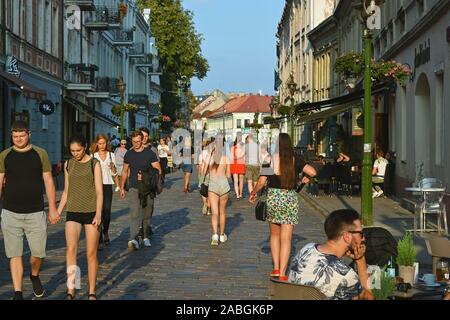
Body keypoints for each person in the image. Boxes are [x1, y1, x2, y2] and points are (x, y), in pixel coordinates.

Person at [0, 121, 59, 300]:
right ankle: (18, 292)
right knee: (14, 254)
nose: (18, 139)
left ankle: (34, 275)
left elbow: (48, 181)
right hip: (10, 211)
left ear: (29, 135)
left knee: (38, 254)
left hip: (35, 212)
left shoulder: (40, 154)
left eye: (22, 136)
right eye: (15, 136)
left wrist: (53, 209)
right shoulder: (5, 155)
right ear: (12, 136)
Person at [249, 133, 316, 281]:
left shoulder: (270, 160)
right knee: (287, 238)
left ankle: (276, 268)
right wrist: (305, 180)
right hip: (290, 198)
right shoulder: (297, 159)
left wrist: (253, 193)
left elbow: (261, 182)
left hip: (274, 197)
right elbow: (313, 172)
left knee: (274, 235)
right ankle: (283, 273)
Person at [288, 209, 375, 300]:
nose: (363, 238)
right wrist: (360, 259)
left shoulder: (306, 249)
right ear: (347, 236)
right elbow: (368, 297)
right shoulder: (345, 274)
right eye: (361, 233)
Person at [57, 135, 103, 300]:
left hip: (91, 212)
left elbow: (99, 191)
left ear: (85, 148)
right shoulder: (69, 164)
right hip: (73, 212)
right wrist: (58, 210)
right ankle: (72, 289)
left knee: (91, 253)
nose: (75, 153)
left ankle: (91, 291)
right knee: (71, 250)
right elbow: (66, 191)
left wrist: (98, 213)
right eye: (72, 151)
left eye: (78, 150)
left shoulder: (94, 164)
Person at [120, 131, 161, 250]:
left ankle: (145, 235)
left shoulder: (150, 154)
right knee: (134, 212)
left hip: (147, 187)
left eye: (138, 141)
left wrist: (146, 176)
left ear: (142, 140)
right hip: (134, 186)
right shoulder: (129, 154)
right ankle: (133, 238)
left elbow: (158, 171)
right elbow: (124, 171)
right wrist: (122, 187)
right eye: (134, 142)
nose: (136, 144)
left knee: (146, 213)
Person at [90, 134, 120, 249]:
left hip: (107, 185)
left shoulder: (111, 155)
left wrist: (118, 185)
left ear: (106, 143)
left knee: (106, 213)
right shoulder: (92, 156)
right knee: (97, 212)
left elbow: (115, 173)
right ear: (96, 143)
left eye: (103, 143)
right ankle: (99, 239)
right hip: (95, 187)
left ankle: (105, 231)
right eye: (100, 143)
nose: (102, 146)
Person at [202, 135, 231, 245]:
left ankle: (215, 235)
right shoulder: (226, 157)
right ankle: (222, 235)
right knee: (222, 212)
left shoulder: (210, 157)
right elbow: (228, 175)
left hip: (213, 185)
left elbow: (204, 172)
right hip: (224, 185)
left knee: (214, 213)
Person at [197, 139, 213, 215]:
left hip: (203, 173)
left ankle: (205, 203)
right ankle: (209, 209)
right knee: (210, 191)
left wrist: (199, 175)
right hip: (211, 174)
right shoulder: (214, 153)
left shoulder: (202, 153)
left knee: (203, 190)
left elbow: (199, 165)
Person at [230, 134, 245, 200]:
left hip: (234, 164)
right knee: (241, 180)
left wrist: (235, 158)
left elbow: (231, 157)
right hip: (241, 164)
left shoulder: (232, 148)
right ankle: (241, 194)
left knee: (235, 181)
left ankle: (237, 195)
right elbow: (243, 156)